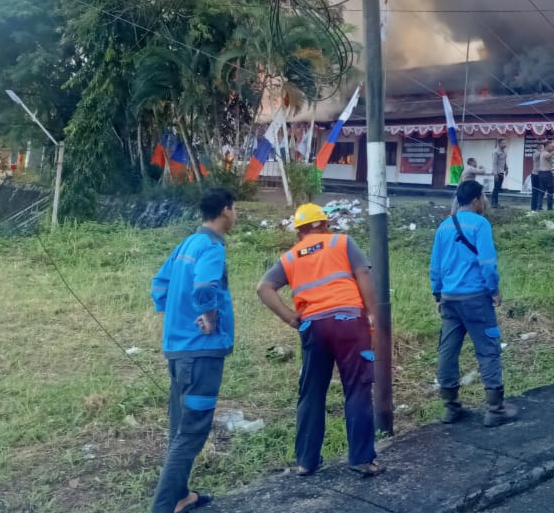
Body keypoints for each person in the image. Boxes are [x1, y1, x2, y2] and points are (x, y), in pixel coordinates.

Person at [255, 203, 382, 477]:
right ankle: (361, 459)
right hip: (350, 323)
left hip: (313, 326)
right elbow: (364, 275)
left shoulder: (290, 257)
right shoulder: (343, 243)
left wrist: (291, 318)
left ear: (299, 231)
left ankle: (306, 462)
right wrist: (371, 315)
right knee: (357, 389)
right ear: (324, 224)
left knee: (311, 393)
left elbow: (263, 287)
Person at [149, 188, 237, 513]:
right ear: (226, 211)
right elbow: (204, 288)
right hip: (201, 355)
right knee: (191, 432)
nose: (235, 214)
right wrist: (208, 318)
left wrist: (176, 315)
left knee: (179, 429)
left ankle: (181, 497)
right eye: (235, 209)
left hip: (177, 351)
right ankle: (162, 506)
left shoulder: (187, 244)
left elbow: (159, 285)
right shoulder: (212, 247)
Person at [431, 180, 517, 427]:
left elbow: (435, 267)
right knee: (488, 349)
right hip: (476, 299)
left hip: (449, 299)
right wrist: (494, 289)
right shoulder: (481, 224)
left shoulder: (444, 226)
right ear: (478, 199)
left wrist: (438, 293)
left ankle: (451, 407)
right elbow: (488, 263)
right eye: (484, 197)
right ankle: (494, 408)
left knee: (447, 351)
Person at [531, 138, 554, 211]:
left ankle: (539, 207)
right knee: (550, 191)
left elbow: (546, 147)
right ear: (547, 146)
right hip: (546, 174)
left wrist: (553, 144)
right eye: (551, 146)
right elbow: (548, 156)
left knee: (541, 192)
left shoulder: (542, 152)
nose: (552, 148)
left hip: (542, 174)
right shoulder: (545, 153)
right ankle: (549, 207)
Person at [491, 139, 508, 206]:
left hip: (502, 172)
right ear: (499, 144)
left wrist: (506, 168)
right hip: (497, 173)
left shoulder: (504, 151)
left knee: (498, 188)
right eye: (503, 143)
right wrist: (495, 174)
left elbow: (504, 161)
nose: (505, 144)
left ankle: (496, 203)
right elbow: (494, 163)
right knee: (496, 188)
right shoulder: (496, 152)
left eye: (505, 143)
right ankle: (494, 203)